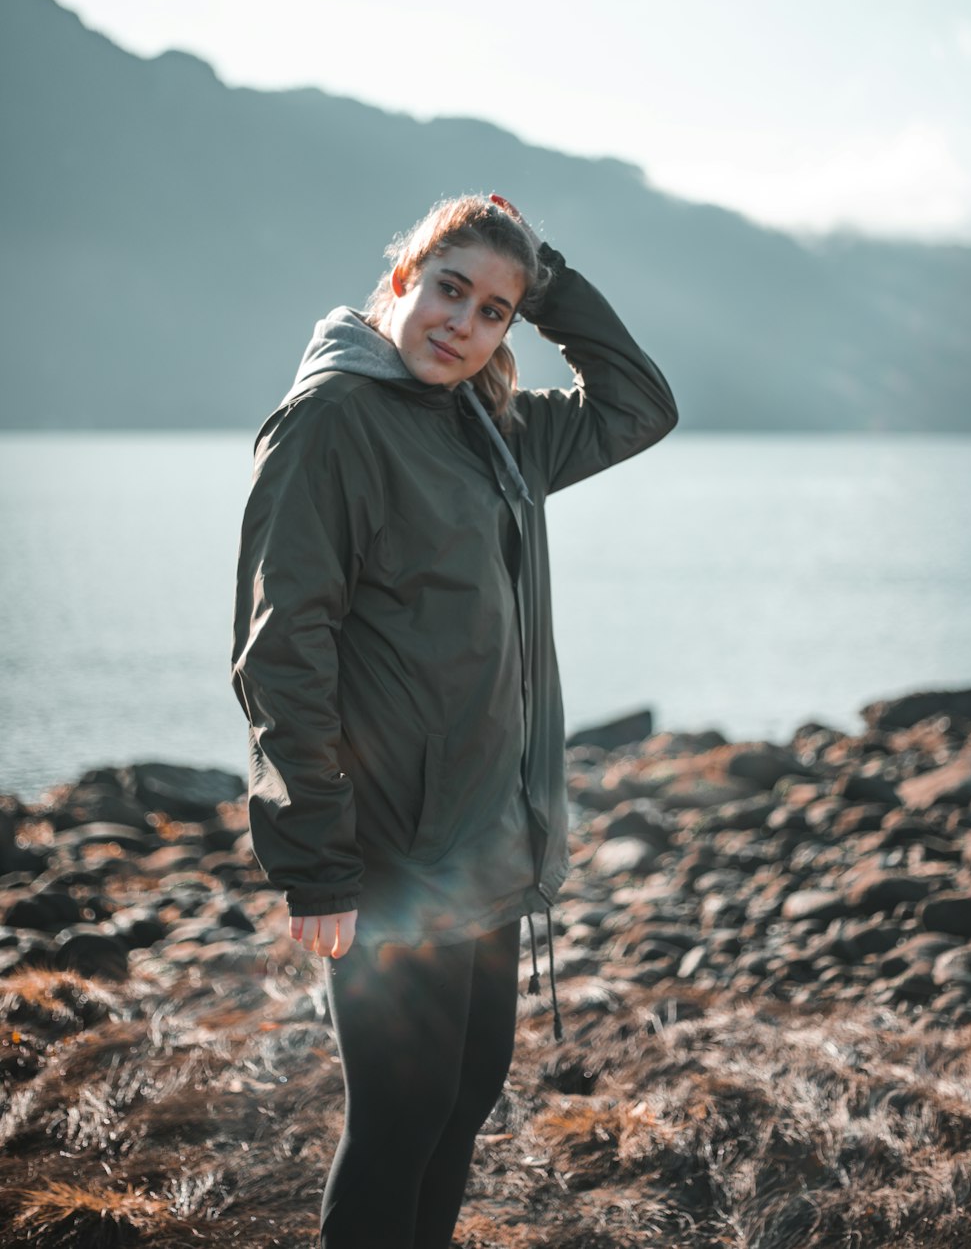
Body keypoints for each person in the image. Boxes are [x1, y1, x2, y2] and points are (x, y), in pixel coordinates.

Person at [231, 193, 678, 1249]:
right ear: (400, 281)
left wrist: (550, 282)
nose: (462, 325)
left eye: (492, 311)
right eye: (448, 289)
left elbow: (638, 404)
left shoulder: (495, 426)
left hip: (485, 840)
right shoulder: (330, 421)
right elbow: (280, 651)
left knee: (465, 1098)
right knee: (399, 1120)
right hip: (390, 849)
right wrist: (315, 862)